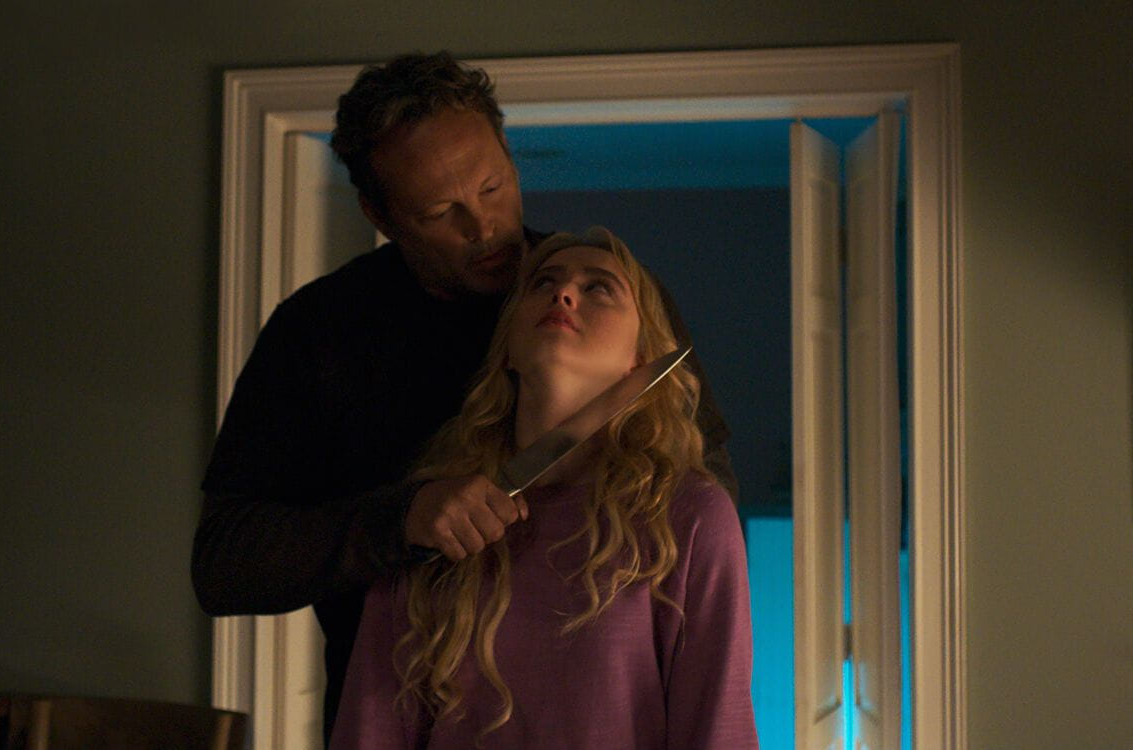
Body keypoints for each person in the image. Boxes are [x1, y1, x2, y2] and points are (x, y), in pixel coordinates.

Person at [191, 52, 737, 740]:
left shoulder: (611, 301)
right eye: (440, 212)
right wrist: (399, 522)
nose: (483, 228)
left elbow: (700, 517)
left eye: (492, 186)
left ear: (509, 153)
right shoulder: (319, 333)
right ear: (380, 215)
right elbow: (224, 564)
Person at [330, 228, 757, 749]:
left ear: (639, 357)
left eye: (599, 287)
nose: (564, 293)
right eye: (544, 283)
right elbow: (369, 730)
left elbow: (719, 728)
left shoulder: (687, 514)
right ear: (508, 347)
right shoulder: (435, 517)